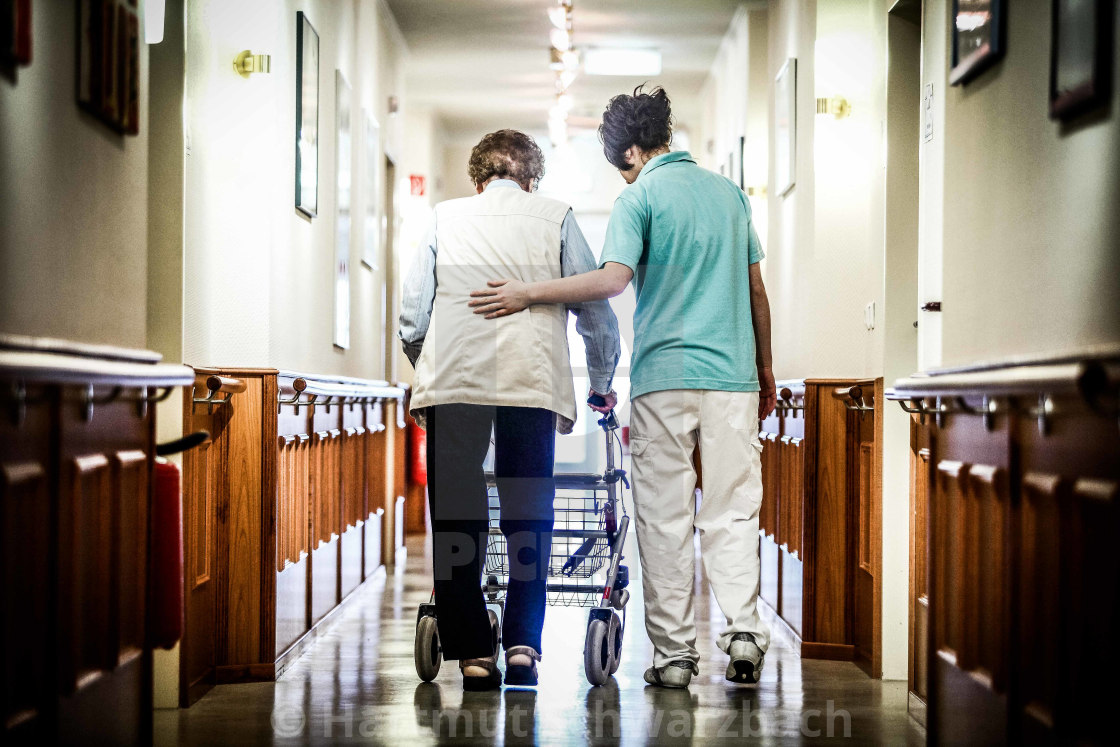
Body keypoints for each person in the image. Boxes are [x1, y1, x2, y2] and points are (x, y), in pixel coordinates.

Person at [468, 87, 777, 689]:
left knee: (663, 518)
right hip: (734, 378)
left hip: (663, 380)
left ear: (632, 151)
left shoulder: (639, 198)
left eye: (621, 163)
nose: (623, 173)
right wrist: (765, 369)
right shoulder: (730, 195)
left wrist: (527, 292)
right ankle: (743, 635)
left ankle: (675, 657)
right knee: (733, 508)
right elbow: (756, 290)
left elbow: (612, 282)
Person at [399, 129, 620, 690]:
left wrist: (425, 364)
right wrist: (599, 383)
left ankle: (473, 652)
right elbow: (594, 310)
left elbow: (413, 315)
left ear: (478, 179)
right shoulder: (557, 215)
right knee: (528, 510)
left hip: (455, 380)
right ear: (531, 179)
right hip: (532, 381)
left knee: (455, 512)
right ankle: (522, 645)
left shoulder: (444, 218)